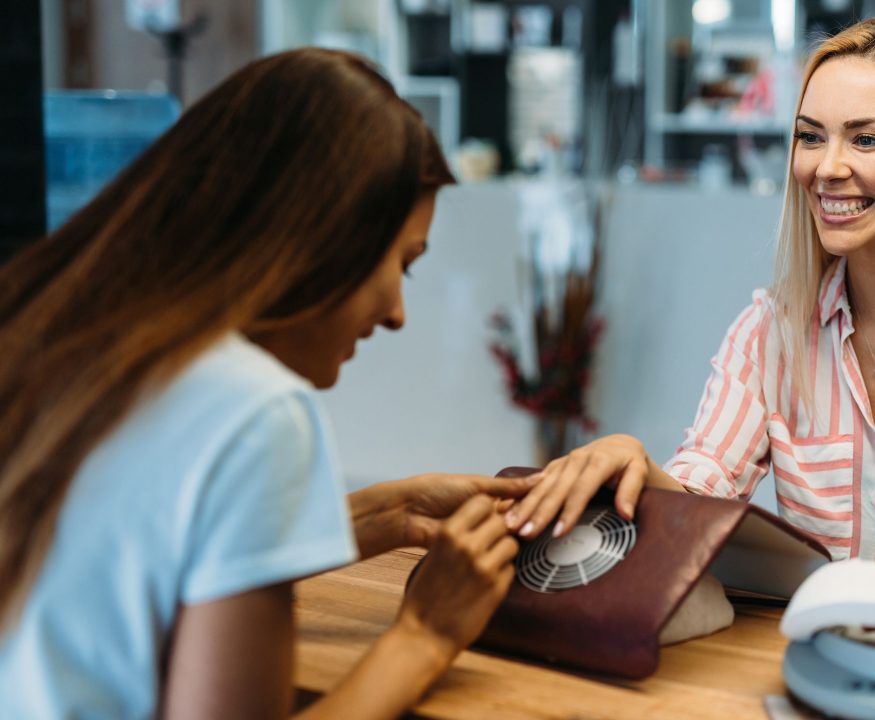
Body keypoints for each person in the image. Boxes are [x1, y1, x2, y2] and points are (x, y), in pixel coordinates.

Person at [506, 14, 875, 628]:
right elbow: (703, 494)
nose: (826, 168)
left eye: (866, 140)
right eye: (810, 136)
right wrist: (631, 463)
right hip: (816, 661)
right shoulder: (770, 330)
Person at [0, 48, 535, 718]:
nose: (397, 313)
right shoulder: (255, 410)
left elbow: (142, 558)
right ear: (323, 236)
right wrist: (425, 636)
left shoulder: (53, 335)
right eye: (400, 262)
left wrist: (381, 515)